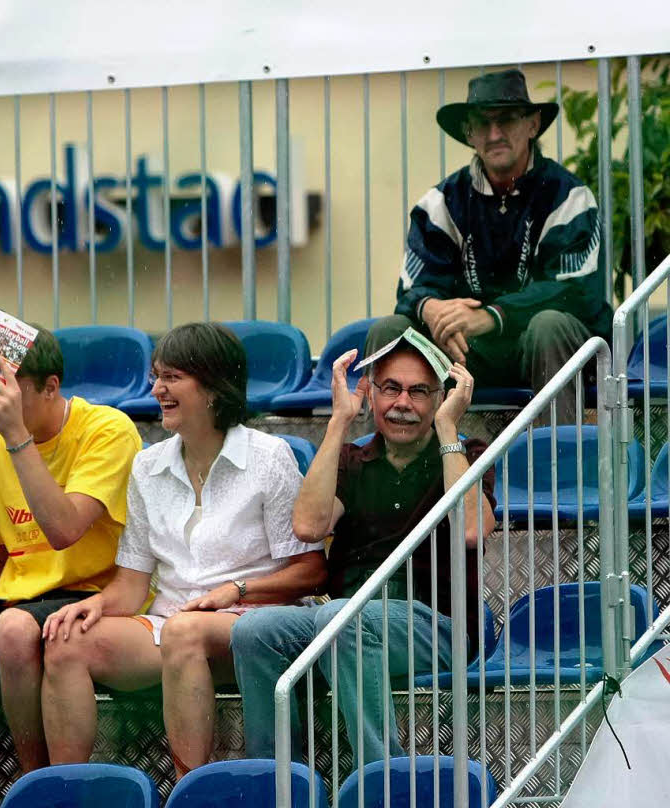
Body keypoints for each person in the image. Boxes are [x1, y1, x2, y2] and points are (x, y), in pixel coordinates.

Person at [40, 322, 327, 778]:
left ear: (213, 386)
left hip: (251, 627)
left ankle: (189, 788)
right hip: (170, 626)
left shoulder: (269, 457)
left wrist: (237, 589)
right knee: (64, 641)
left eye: (172, 377)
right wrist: (92, 605)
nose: (157, 389)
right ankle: (64, 791)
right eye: (156, 376)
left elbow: (310, 571)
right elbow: (132, 586)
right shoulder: (148, 466)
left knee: (184, 632)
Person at [231, 333, 495, 765]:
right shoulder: (352, 459)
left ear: (439, 398)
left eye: (419, 392)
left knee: (341, 617)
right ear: (371, 394)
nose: (402, 403)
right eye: (390, 388)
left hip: (438, 626)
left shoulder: (464, 453)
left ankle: (380, 776)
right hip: (342, 620)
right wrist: (338, 422)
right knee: (254, 631)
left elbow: (471, 530)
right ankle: (279, 777)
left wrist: (449, 428)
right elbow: (307, 526)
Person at [366, 68, 611, 416]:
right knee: (390, 329)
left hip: (543, 346)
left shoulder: (568, 196)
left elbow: (575, 291)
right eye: (482, 123)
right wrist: (432, 309)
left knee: (550, 324)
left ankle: (559, 464)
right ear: (469, 133)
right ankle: (387, 464)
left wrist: (493, 316)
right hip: (465, 349)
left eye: (508, 119)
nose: (494, 134)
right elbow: (411, 291)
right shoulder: (440, 203)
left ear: (533, 125)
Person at [0, 328, 142, 773]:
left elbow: (64, 530)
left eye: (12, 390)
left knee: (13, 630)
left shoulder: (107, 430)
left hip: (93, 594)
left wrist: (16, 439)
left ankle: (36, 781)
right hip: (20, 596)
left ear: (51, 386)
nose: (0, 403)